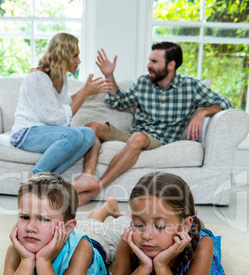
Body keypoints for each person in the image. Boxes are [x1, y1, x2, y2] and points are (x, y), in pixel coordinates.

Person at [73, 42, 232, 205]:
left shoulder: (190, 86)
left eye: (154, 62)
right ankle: (88, 176)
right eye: (149, 60)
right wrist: (109, 75)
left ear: (171, 65)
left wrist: (202, 112)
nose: (149, 65)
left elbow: (225, 102)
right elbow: (119, 101)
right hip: (134, 134)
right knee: (92, 127)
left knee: (138, 137)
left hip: (159, 139)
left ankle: (98, 187)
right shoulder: (143, 82)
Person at [104, 172, 238, 275]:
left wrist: (161, 265)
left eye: (159, 226)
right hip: (182, 226)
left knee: (201, 227)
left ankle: (194, 220)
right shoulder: (130, 240)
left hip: (191, 238)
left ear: (184, 226)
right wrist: (145, 266)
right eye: (138, 223)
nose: (146, 236)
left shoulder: (202, 246)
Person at [0, 172, 131, 275]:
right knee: (89, 223)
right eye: (25, 217)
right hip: (69, 231)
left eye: (44, 219)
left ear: (67, 227)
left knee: (122, 227)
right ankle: (107, 208)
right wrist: (26, 261)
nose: (30, 227)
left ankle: (124, 214)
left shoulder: (82, 249)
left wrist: (43, 261)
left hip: (101, 241)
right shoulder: (15, 251)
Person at [10, 32, 112, 178]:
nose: (79, 61)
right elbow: (57, 119)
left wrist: (86, 90)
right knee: (73, 136)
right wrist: (85, 93)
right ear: (62, 56)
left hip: (46, 131)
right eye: (75, 56)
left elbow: (64, 103)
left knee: (89, 134)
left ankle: (47, 178)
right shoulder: (38, 77)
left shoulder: (61, 77)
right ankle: (35, 176)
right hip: (26, 133)